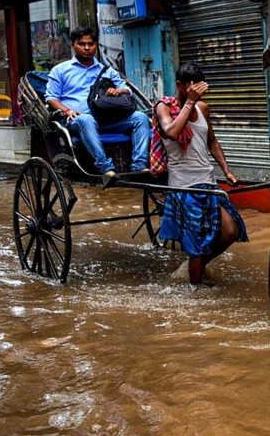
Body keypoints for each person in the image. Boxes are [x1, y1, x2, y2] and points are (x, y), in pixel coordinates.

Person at [154, 62, 247, 286]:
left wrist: (227, 170)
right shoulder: (164, 107)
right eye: (190, 87)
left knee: (231, 231)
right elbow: (172, 132)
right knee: (197, 246)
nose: (195, 91)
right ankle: (194, 295)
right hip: (183, 187)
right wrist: (189, 102)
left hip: (208, 182)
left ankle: (193, 269)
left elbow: (212, 141)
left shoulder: (202, 108)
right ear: (179, 85)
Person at [45, 26, 150, 179]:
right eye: (82, 44)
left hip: (106, 119)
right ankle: (106, 168)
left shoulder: (107, 70)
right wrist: (67, 111)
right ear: (73, 45)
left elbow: (127, 90)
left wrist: (119, 91)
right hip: (77, 120)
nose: (87, 48)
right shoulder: (60, 70)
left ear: (96, 45)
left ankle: (139, 166)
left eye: (91, 44)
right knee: (86, 119)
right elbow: (51, 98)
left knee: (140, 117)